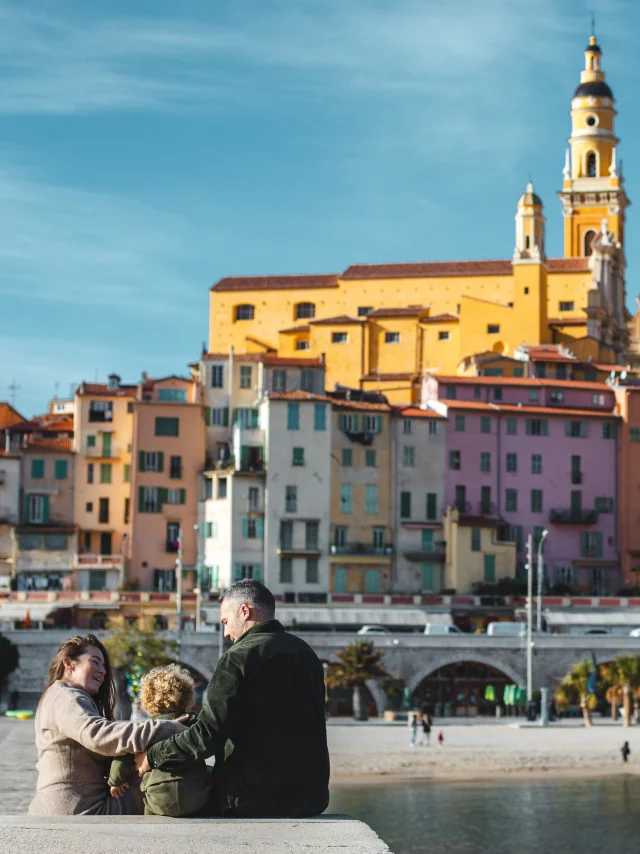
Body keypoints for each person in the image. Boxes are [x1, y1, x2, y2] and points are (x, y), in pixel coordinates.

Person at [136, 579, 330, 818]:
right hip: (310, 798)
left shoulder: (238, 657)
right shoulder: (306, 653)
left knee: (166, 793)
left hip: (251, 800)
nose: (226, 633)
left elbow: (208, 737)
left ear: (245, 611)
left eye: (226, 622)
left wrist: (154, 755)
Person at [28, 634, 182, 816]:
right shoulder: (66, 698)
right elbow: (100, 735)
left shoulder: (61, 695)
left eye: (103, 665)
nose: (102, 670)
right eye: (95, 662)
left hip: (67, 804)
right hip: (79, 808)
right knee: (167, 786)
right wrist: (167, 728)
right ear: (69, 664)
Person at [108, 665, 211, 817]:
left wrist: (115, 781)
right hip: (196, 791)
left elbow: (124, 755)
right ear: (187, 696)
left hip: (158, 792)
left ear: (147, 699)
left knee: (149, 807)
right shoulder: (194, 723)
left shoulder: (145, 728)